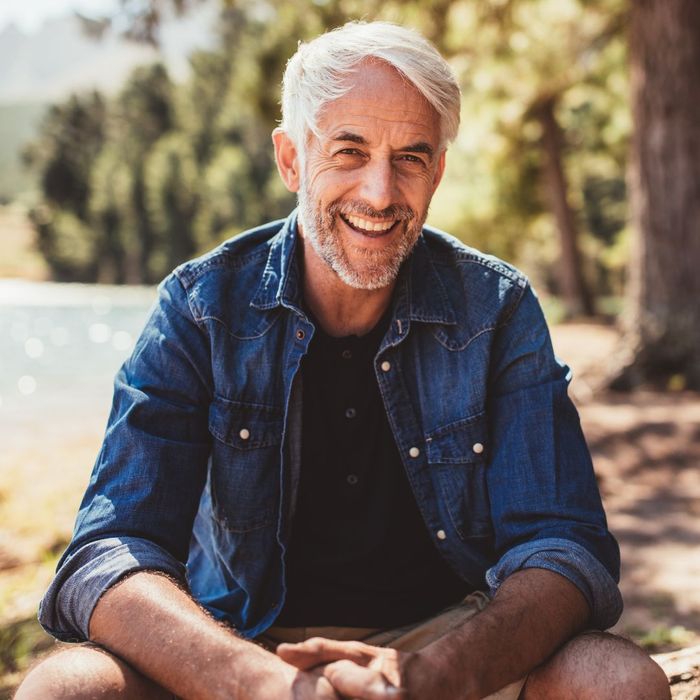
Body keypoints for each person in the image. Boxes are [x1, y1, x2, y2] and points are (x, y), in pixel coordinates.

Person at [16, 20, 669, 700]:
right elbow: (109, 551)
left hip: (450, 644)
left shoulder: (496, 309)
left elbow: (564, 548)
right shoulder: (201, 307)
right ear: (291, 158)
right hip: (238, 645)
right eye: (349, 151)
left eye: (411, 157)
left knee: (613, 680)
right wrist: (264, 685)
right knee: (68, 687)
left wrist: (429, 677)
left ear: (438, 171)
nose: (381, 193)